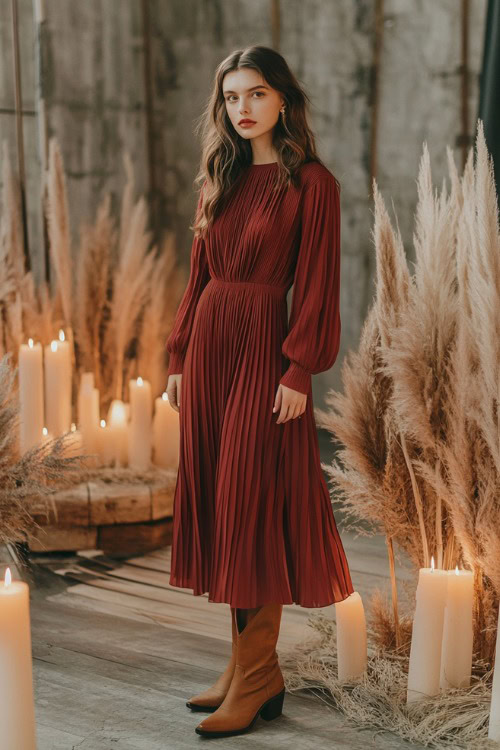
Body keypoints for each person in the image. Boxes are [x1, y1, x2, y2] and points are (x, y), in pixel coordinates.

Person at [165, 44, 354, 738]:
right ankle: (245, 668)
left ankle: (258, 675)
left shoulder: (314, 184)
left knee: (251, 502)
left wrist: (300, 367)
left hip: (266, 353)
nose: (242, 109)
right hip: (212, 350)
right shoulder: (221, 174)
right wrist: (179, 353)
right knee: (221, 502)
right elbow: (198, 278)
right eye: (232, 97)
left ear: (283, 101)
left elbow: (319, 286)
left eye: (257, 95)